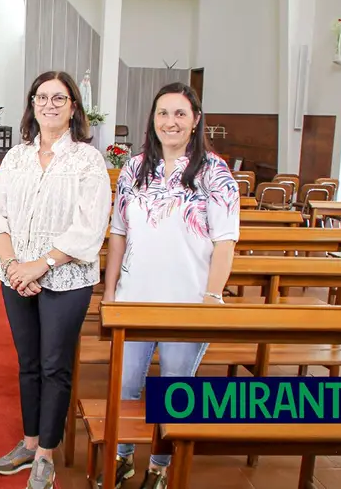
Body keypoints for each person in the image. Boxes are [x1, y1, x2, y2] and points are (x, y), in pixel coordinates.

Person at [101, 82, 240, 489]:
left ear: (196, 119)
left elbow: (224, 241)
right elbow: (119, 234)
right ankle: (124, 457)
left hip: (187, 300)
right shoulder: (134, 167)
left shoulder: (214, 171)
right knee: (126, 385)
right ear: (153, 119)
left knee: (175, 389)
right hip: (135, 298)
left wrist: (213, 296)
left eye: (180, 113)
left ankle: (159, 466)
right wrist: (110, 294)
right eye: (163, 113)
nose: (171, 121)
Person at [0, 71, 112, 489]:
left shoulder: (88, 160)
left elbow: (89, 227)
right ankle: (28, 441)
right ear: (32, 104)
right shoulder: (15, 157)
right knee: (28, 364)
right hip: (16, 274)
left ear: (74, 106)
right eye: (42, 97)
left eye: (60, 98)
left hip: (67, 278)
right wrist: (15, 266)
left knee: (55, 366)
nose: (50, 104)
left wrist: (40, 265)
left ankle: (45, 455)